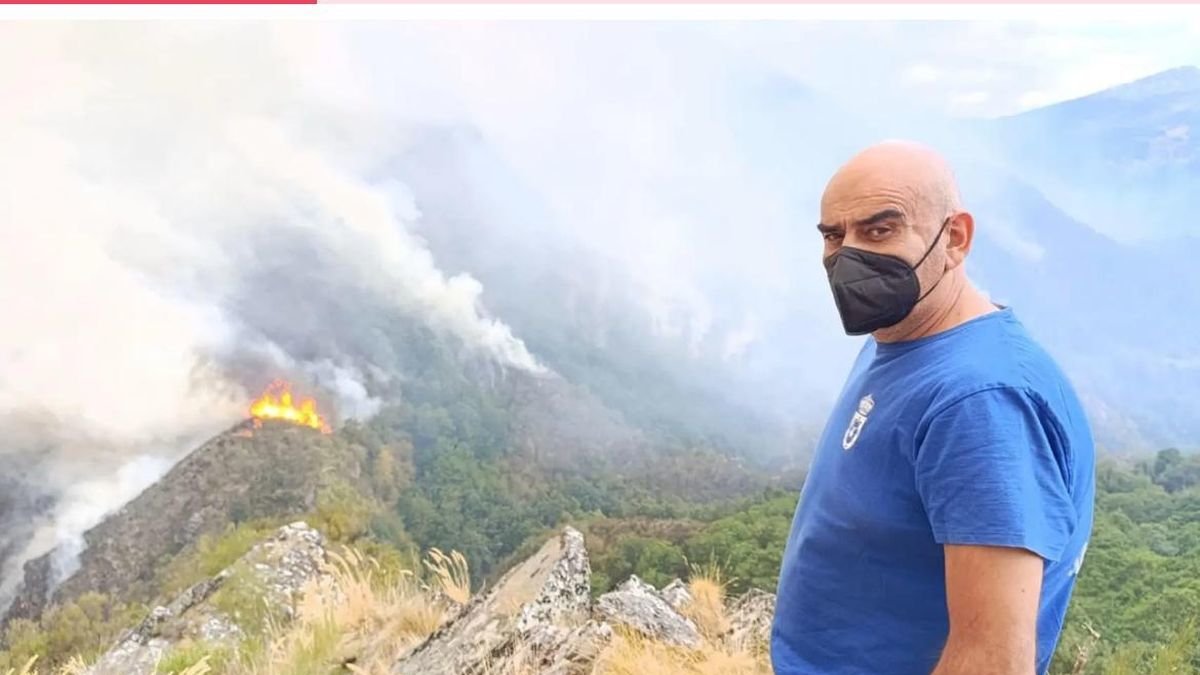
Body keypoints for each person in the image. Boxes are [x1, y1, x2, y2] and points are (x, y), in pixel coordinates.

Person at [770, 141, 1096, 675]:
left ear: (955, 238)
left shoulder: (980, 402)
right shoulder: (901, 337)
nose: (848, 256)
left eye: (880, 230)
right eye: (834, 235)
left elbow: (993, 660)